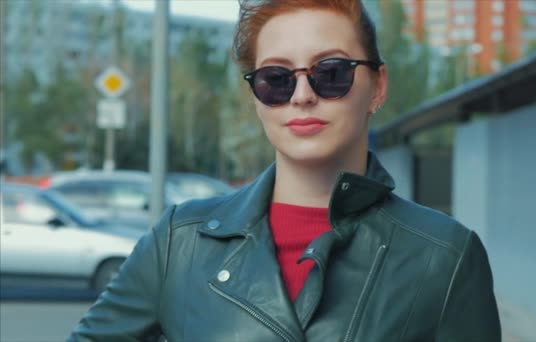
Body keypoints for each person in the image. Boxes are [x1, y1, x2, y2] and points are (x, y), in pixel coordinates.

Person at [69, 0, 501, 341]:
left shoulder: (443, 257)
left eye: (331, 73)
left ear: (378, 86)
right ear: (257, 98)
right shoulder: (179, 242)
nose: (302, 95)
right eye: (276, 79)